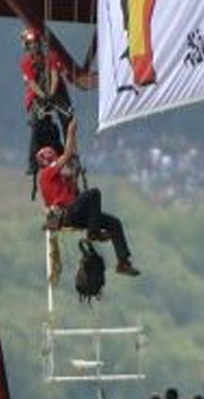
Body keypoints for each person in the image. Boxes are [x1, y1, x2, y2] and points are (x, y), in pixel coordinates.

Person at [39, 126, 140, 277]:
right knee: (94, 193)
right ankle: (94, 233)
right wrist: (71, 132)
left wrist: (74, 177)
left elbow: (74, 195)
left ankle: (123, 262)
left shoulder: (60, 180)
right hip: (68, 214)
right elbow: (67, 155)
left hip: (76, 216)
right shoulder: (46, 173)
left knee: (114, 223)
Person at [21, 26, 92, 187]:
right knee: (38, 126)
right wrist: (43, 96)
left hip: (57, 93)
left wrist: (51, 94)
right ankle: (33, 162)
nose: (33, 48)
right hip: (39, 96)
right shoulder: (26, 63)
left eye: (35, 44)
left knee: (67, 121)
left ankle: (71, 156)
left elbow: (54, 76)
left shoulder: (51, 57)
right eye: (30, 45)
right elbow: (32, 83)